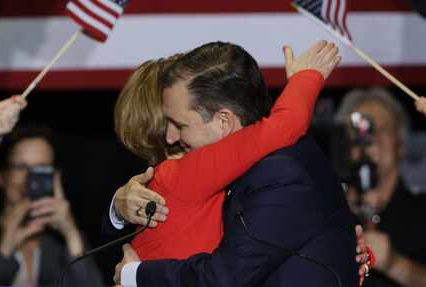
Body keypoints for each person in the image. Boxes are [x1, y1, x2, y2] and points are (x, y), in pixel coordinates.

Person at [105, 41, 361, 287]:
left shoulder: (274, 172)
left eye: (179, 125)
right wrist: (305, 79)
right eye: (167, 125)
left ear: (224, 121)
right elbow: (286, 123)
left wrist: (341, 248)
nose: (171, 136)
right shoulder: (190, 175)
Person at [335, 88, 426, 287]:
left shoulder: (422, 212)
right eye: (359, 131)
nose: (370, 139)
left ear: (400, 144)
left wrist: (395, 264)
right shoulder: (327, 214)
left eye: (381, 129)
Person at [0, 125, 105, 286]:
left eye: (41, 169)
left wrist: (70, 234)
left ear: (55, 177)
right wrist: (5, 248)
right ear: (0, 175)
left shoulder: (60, 243)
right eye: (21, 167)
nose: (30, 179)